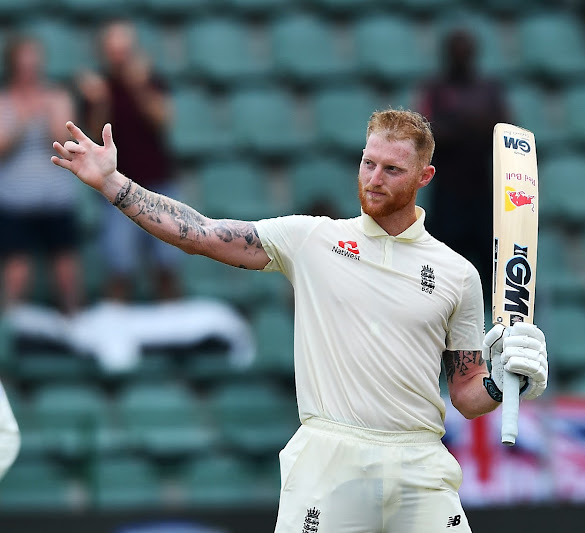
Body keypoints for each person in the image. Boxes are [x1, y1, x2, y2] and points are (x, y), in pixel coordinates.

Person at [51, 110, 548, 533]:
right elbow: (202, 233)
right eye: (367, 163)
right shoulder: (313, 239)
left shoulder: (457, 274)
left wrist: (507, 383)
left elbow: (465, 393)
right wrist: (114, 183)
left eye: (392, 169)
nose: (373, 179)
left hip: (420, 460)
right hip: (331, 457)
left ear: (425, 176)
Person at [78, 20, 180, 301]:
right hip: (116, 186)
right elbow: (94, 136)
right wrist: (99, 101)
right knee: (119, 267)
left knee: (167, 265)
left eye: (124, 49)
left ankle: (175, 330)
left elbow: (164, 120)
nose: (119, 55)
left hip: (158, 182)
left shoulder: (150, 80)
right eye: (114, 50)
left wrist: (139, 87)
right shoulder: (97, 88)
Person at [419, 29, 511, 290]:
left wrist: (459, 126)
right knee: (443, 270)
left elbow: (505, 132)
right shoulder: (435, 90)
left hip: (483, 192)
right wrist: (473, 126)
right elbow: (427, 132)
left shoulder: (489, 90)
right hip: (448, 192)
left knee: (495, 272)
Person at [0, 36, 81, 314]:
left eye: (33, 62)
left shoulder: (56, 97)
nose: (29, 68)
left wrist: (47, 116)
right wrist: (23, 122)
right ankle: (9, 336)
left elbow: (66, 141)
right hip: (15, 201)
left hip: (56, 199)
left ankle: (75, 329)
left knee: (67, 274)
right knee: (16, 273)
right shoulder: (4, 101)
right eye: (23, 63)